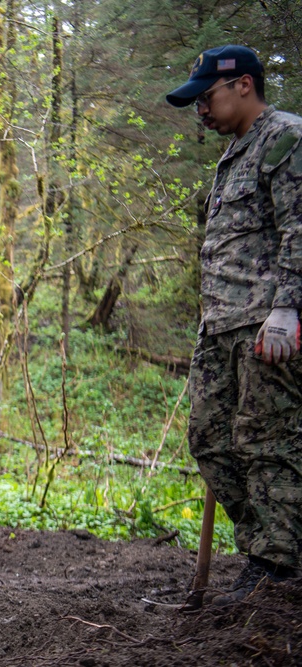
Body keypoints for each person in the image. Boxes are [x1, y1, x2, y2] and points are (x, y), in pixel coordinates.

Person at [167, 45, 302, 604]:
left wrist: (288, 307)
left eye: (208, 95)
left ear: (244, 85)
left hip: (267, 323)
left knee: (267, 443)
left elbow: (299, 225)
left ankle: (274, 568)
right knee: (210, 440)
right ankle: (272, 543)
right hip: (221, 327)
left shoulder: (286, 138)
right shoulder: (234, 155)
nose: (200, 108)